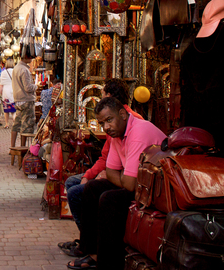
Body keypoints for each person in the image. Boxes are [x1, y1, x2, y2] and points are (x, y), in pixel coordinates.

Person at [67, 97, 166, 270]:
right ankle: (92, 252)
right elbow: (111, 170)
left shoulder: (138, 131)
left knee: (109, 199)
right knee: (91, 188)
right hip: (139, 183)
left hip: (157, 189)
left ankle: (108, 262)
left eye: (109, 120)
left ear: (122, 114)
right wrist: (123, 177)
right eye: (102, 123)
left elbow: (128, 184)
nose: (106, 127)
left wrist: (122, 177)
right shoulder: (116, 135)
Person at [59, 79, 142, 258]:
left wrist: (106, 175)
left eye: (103, 95)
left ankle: (94, 244)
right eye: (103, 123)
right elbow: (108, 161)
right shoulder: (116, 126)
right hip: (122, 175)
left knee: (84, 192)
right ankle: (90, 241)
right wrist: (95, 174)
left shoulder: (131, 124)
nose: (106, 127)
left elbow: (128, 180)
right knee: (80, 184)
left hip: (134, 180)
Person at [11, 51, 37, 146]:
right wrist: (36, 86)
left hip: (18, 100)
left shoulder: (16, 68)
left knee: (17, 124)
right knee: (26, 126)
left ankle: (12, 146)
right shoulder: (24, 70)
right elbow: (28, 88)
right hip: (26, 100)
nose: (31, 59)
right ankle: (23, 147)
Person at [0, 59, 15, 129]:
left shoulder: (3, 72)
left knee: (6, 109)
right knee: (14, 109)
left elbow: (1, 85)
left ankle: (7, 124)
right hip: (14, 91)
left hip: (6, 92)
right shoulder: (15, 72)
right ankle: (14, 120)